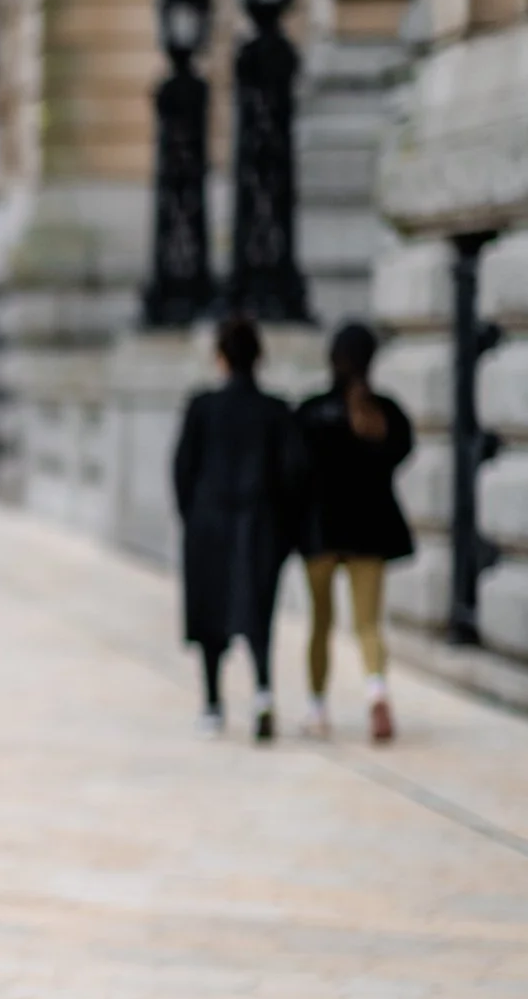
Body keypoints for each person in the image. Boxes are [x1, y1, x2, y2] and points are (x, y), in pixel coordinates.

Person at [173, 315, 305, 742]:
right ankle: (263, 693)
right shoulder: (276, 411)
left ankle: (213, 703)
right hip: (260, 526)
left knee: (210, 617)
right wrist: (286, 533)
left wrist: (192, 520)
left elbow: (182, 470)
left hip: (209, 525)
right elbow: (293, 475)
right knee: (258, 614)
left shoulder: (202, 407)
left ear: (221, 358)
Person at [297, 321, 415, 742]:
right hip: (368, 532)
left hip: (320, 534)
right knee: (368, 624)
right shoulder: (387, 414)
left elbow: (294, 473)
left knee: (320, 624)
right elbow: (402, 452)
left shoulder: (311, 412)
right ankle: (376, 692)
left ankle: (316, 708)